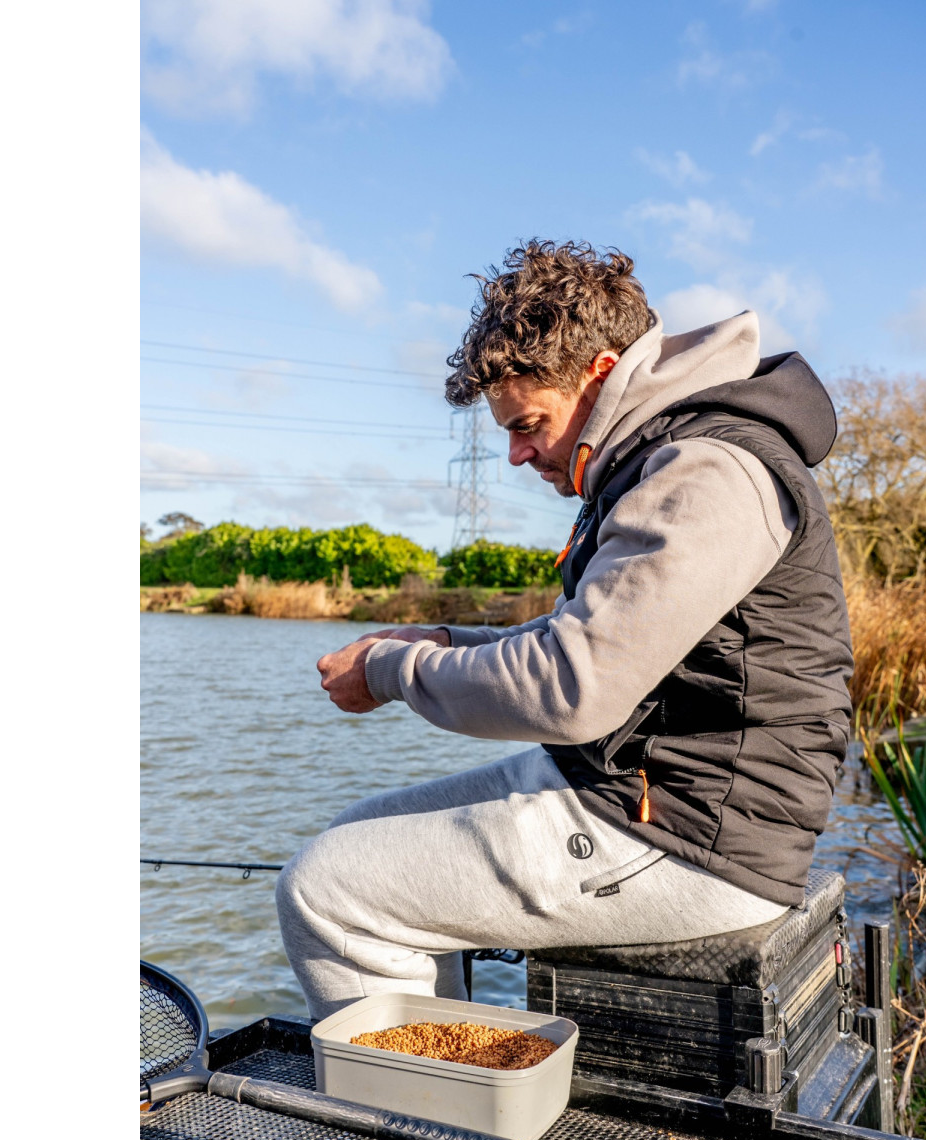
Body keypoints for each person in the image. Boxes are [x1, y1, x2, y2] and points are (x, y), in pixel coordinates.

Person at [277, 241, 853, 1021]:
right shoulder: (658, 459)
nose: (517, 454)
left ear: (601, 373)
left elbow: (572, 685)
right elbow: (588, 639)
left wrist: (387, 671)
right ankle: (448, 1070)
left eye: (528, 425)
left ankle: (428, 1097)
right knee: (355, 836)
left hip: (696, 839)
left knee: (327, 892)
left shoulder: (707, 471)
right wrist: (442, 644)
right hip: (631, 792)